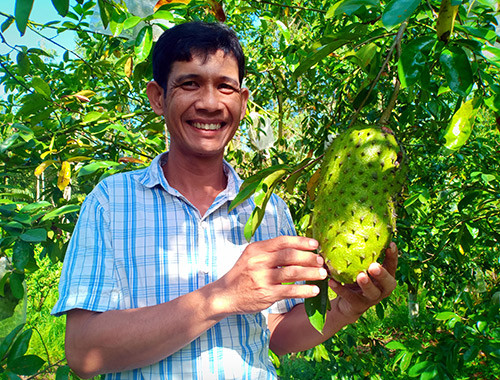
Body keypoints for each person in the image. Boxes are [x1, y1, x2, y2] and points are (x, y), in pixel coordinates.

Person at [52, 21, 398, 379]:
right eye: (190, 83)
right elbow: (83, 353)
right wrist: (221, 297)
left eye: (225, 87)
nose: (210, 103)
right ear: (158, 97)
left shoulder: (268, 209)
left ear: (243, 102)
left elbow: (276, 332)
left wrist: (346, 308)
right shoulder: (110, 202)